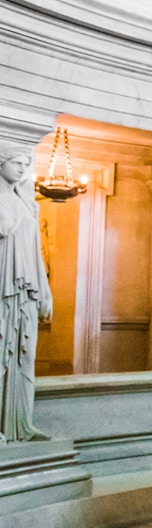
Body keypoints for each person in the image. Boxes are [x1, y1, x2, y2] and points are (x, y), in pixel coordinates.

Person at [0, 144, 52, 442]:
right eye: (16, 163)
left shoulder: (25, 203)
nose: (22, 168)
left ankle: (22, 424)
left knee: (25, 355)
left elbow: (36, 252)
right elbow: (4, 227)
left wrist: (46, 291)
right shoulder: (14, 202)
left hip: (26, 287)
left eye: (26, 164)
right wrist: (26, 205)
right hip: (4, 285)